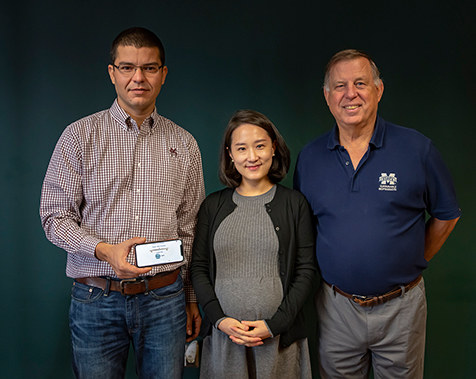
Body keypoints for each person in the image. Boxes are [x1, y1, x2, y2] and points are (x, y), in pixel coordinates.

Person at [40, 27, 205, 379]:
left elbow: (190, 229)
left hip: (166, 299)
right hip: (96, 297)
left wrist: (190, 297)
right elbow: (54, 217)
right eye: (127, 67)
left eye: (149, 68)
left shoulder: (185, 144)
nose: (138, 78)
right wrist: (104, 250)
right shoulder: (78, 136)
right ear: (112, 73)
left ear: (163, 74)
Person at [294, 49, 461, 378]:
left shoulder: (417, 149)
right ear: (327, 97)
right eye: (340, 86)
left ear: (379, 90)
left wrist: (410, 260)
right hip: (336, 307)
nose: (350, 94)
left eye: (360, 83)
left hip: (401, 307)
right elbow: (304, 229)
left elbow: (447, 214)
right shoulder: (310, 158)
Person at [191, 109, 315, 378]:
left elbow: (306, 271)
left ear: (274, 148)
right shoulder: (213, 206)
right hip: (225, 339)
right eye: (242, 148)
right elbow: (199, 268)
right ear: (230, 154)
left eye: (260, 146)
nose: (252, 156)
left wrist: (275, 324)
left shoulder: (295, 204)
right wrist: (219, 320)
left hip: (280, 340)